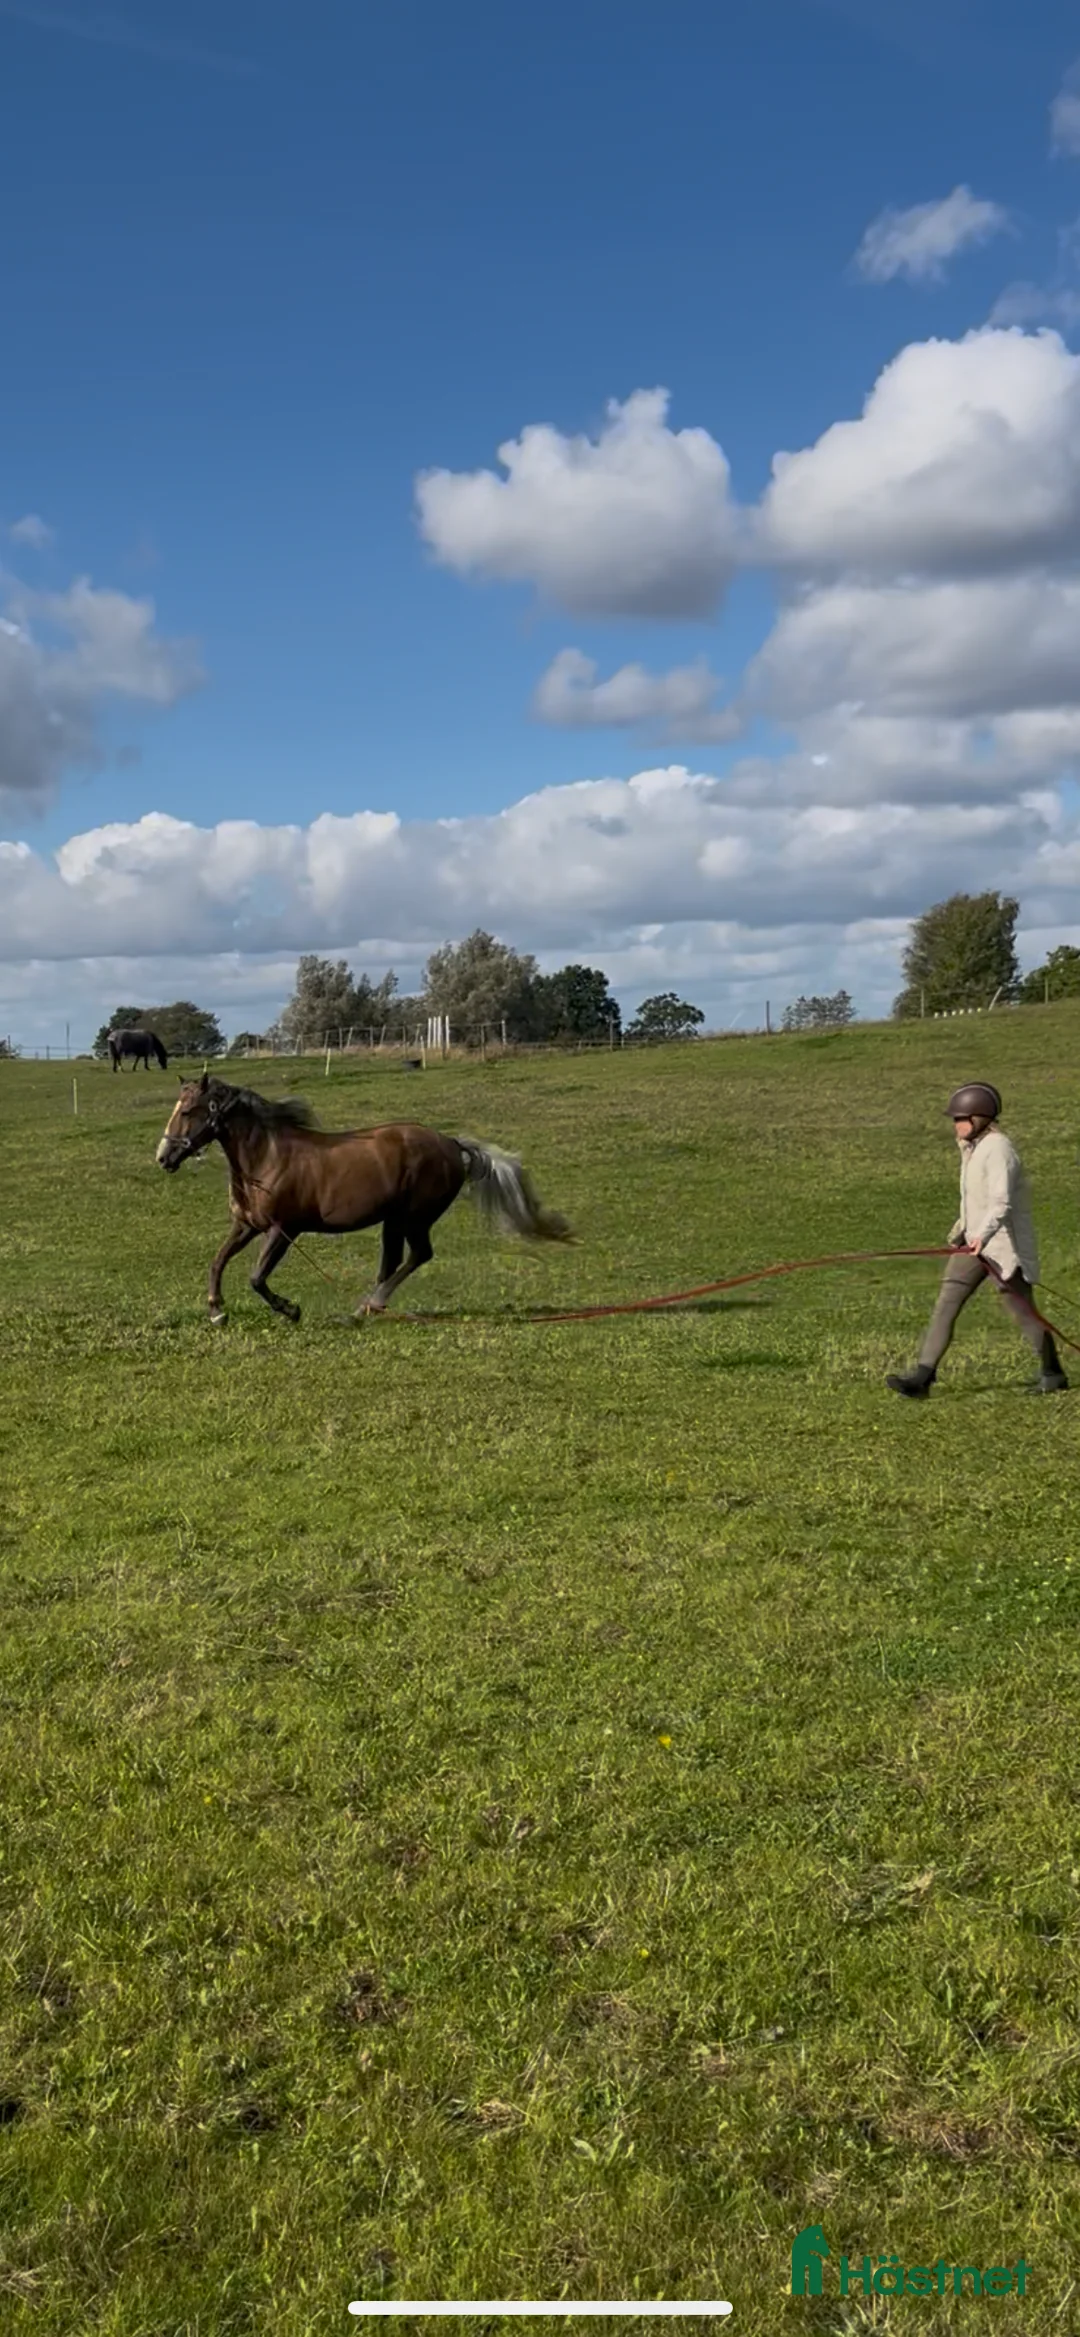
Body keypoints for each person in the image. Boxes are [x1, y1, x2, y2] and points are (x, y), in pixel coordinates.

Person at [886, 1082, 1068, 1399]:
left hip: (1003, 1247)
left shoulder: (999, 1150)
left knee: (1022, 1313)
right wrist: (964, 1232)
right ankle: (922, 1379)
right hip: (972, 1244)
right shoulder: (973, 1149)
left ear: (980, 1119)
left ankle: (1053, 1373)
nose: (955, 1125)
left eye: (961, 1119)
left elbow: (1001, 1203)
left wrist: (981, 1237)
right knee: (946, 1304)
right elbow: (975, 1200)